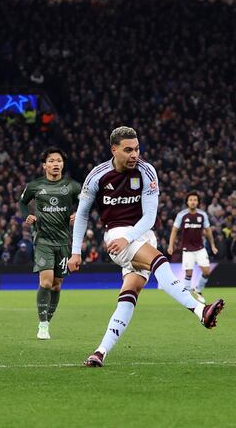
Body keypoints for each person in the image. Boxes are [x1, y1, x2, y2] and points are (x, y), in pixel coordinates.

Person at [69, 126, 224, 367]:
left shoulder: (146, 171)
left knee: (129, 295)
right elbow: (81, 215)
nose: (134, 155)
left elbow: (149, 217)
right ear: (114, 150)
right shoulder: (97, 176)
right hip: (116, 236)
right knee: (159, 260)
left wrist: (130, 238)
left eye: (137, 149)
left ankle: (100, 352)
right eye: (128, 150)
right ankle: (199, 310)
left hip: (140, 235)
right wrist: (75, 252)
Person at [18, 147, 81, 340]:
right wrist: (26, 215)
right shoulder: (35, 186)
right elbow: (22, 202)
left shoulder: (72, 186)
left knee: (56, 286)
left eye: (59, 161)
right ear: (44, 165)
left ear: (63, 164)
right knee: (46, 282)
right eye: (51, 161)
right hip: (43, 241)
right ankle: (42, 325)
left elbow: (86, 203)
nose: (56, 164)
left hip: (63, 242)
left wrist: (78, 213)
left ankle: (47, 322)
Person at [167, 192, 218, 303]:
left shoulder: (202, 215)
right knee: (189, 273)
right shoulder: (181, 215)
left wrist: (213, 245)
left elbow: (208, 231)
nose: (193, 202)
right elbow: (174, 230)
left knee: (206, 272)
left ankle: (198, 290)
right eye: (191, 200)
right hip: (187, 249)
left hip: (200, 248)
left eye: (195, 200)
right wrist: (170, 245)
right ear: (187, 202)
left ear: (198, 202)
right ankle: (186, 295)